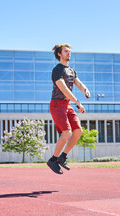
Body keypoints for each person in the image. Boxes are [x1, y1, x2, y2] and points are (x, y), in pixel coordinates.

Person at [47, 43, 90, 174]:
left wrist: (85, 90)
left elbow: (78, 83)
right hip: (57, 105)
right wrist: (78, 102)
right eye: (66, 51)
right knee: (67, 132)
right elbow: (64, 89)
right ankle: (53, 160)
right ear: (59, 54)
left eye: (69, 51)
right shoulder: (57, 70)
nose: (68, 53)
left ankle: (62, 157)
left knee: (78, 131)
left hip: (67, 105)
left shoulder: (71, 70)